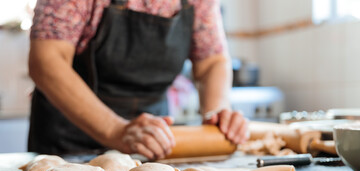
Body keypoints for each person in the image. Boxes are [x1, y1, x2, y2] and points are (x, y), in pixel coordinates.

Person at [28, 0, 249, 160]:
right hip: (69, 146)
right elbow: (47, 62)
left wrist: (216, 115)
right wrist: (116, 131)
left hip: (152, 145)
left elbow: (212, 62)